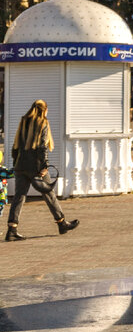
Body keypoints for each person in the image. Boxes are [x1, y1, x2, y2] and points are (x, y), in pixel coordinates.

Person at [6, 100, 79, 241]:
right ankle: (62, 223)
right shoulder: (43, 122)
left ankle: (12, 229)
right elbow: (42, 147)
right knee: (49, 194)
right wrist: (44, 166)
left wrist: (16, 163)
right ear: (44, 110)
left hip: (21, 165)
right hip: (36, 167)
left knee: (19, 197)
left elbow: (15, 145)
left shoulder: (23, 122)